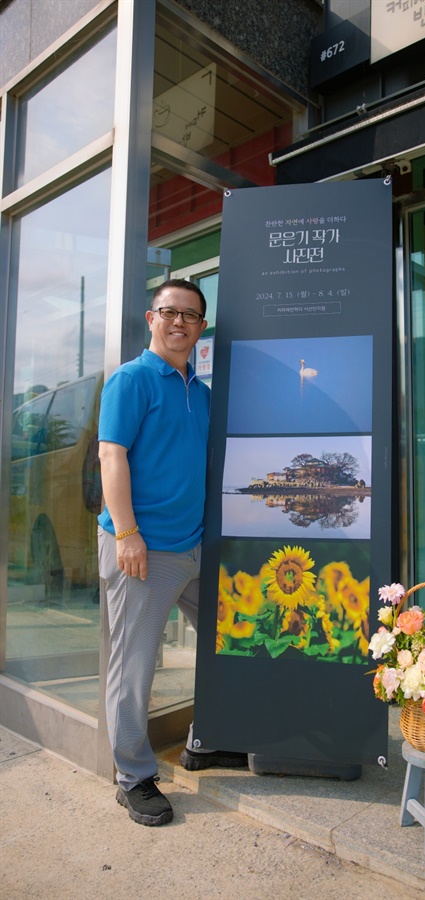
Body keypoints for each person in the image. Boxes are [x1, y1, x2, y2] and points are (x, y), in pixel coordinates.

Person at [98, 278, 246, 827]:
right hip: (143, 549)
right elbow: (112, 456)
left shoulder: (202, 392)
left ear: (202, 328)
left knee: (230, 639)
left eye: (190, 315)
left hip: (196, 547)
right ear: (150, 318)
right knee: (134, 668)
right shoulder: (132, 380)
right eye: (169, 312)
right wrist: (127, 533)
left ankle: (202, 742)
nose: (179, 322)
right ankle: (133, 777)